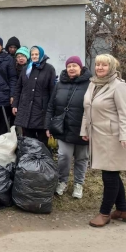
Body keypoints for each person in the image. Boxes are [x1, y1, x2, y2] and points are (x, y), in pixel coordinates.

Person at [81, 54, 126, 227]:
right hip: (98, 136)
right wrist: (85, 130)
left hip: (113, 138)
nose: (100, 68)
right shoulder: (93, 83)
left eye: (104, 65)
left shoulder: (119, 86)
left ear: (111, 67)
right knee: (112, 173)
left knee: (109, 175)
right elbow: (87, 109)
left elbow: (125, 115)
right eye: (97, 65)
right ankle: (122, 210)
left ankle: (104, 213)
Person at [45, 56, 91, 199]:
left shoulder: (90, 84)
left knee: (81, 158)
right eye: (69, 66)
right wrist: (48, 125)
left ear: (80, 67)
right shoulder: (59, 84)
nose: (71, 68)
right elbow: (51, 106)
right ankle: (62, 181)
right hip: (63, 128)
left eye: (74, 66)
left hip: (82, 128)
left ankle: (78, 184)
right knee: (63, 156)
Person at [12, 46, 56, 147]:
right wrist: (15, 104)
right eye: (32, 54)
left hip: (41, 110)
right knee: (28, 141)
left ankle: (43, 161)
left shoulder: (49, 69)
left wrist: (52, 109)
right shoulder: (26, 69)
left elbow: (52, 90)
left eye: (36, 54)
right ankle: (29, 161)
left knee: (42, 142)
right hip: (26, 109)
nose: (34, 56)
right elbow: (19, 88)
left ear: (41, 55)